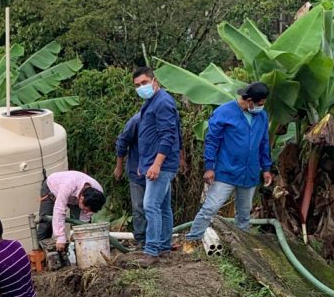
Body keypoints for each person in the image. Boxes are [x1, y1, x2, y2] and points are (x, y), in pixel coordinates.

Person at [181, 82, 274, 252]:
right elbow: (212, 141)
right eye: (260, 104)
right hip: (226, 171)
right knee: (210, 207)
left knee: (244, 215)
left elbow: (264, 143)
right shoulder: (224, 112)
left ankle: (242, 247)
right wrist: (209, 167)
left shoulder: (262, 116)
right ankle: (192, 239)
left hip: (250, 173)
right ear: (250, 101)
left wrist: (266, 168)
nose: (262, 107)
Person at [133, 67, 181, 262]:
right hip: (153, 162)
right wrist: (144, 163)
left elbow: (169, 135)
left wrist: (157, 164)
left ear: (154, 81)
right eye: (137, 85)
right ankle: (163, 246)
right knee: (163, 206)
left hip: (162, 163)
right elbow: (150, 135)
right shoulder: (151, 101)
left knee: (150, 205)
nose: (141, 87)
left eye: (144, 83)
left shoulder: (162, 102)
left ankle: (151, 250)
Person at [35, 170, 106, 256]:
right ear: (81, 199)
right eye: (85, 209)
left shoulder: (98, 194)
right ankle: (41, 255)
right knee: (46, 222)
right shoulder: (69, 185)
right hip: (52, 187)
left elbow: (84, 220)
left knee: (81, 226)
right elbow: (59, 209)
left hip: (75, 196)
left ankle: (82, 254)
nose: (86, 212)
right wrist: (60, 237)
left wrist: (81, 229)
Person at [113, 113, 146, 251]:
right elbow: (122, 141)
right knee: (139, 206)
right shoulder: (136, 121)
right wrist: (119, 166)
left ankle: (158, 238)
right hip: (136, 171)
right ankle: (141, 239)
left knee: (156, 207)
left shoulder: (164, 120)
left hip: (157, 173)